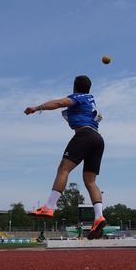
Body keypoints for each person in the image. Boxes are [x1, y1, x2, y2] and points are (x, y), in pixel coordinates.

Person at [25, 75, 106, 240]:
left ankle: (49, 206)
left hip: (84, 135)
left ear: (74, 87)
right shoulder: (91, 99)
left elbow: (59, 103)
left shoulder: (78, 97)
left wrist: (37, 107)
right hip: (98, 139)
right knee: (90, 181)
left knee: (64, 169)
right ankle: (99, 217)